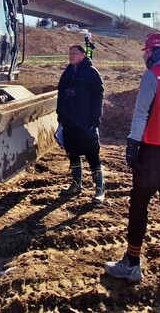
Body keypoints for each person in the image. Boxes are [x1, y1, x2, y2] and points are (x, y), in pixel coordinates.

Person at [105, 32, 160, 285]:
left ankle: (131, 263)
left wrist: (132, 144)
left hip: (152, 151)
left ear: (154, 52)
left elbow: (141, 113)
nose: (145, 56)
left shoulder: (152, 76)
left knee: (139, 203)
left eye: (146, 52)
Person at [56, 44, 106, 204]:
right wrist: (60, 117)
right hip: (70, 122)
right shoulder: (67, 74)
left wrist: (95, 119)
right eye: (70, 53)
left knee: (92, 154)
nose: (71, 56)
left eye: (75, 53)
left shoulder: (91, 73)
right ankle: (76, 184)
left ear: (83, 55)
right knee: (73, 153)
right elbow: (60, 96)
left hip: (86, 121)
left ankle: (99, 188)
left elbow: (98, 96)